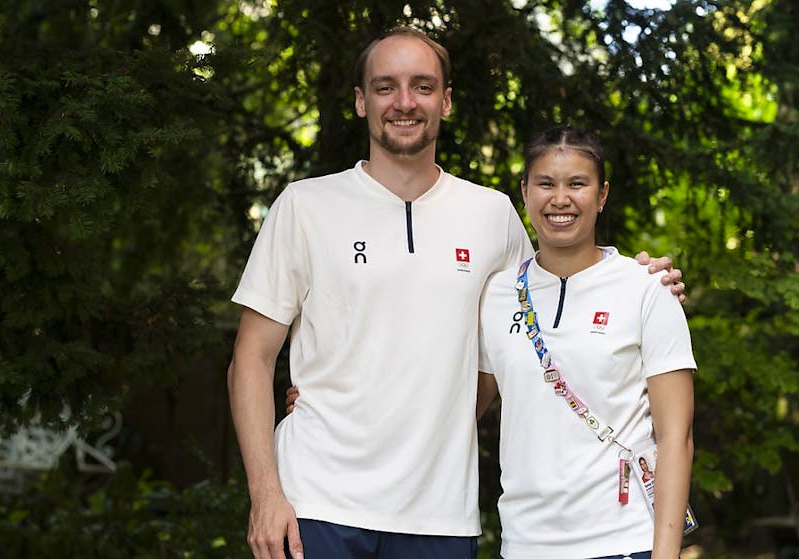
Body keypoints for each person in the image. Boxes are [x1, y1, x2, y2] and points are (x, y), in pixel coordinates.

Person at [228, 27, 685, 559]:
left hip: (441, 513)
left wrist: (642, 277)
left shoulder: (491, 215)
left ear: (445, 101)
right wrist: (265, 494)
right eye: (385, 87)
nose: (404, 102)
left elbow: (555, 291)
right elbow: (250, 359)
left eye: (422, 86)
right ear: (360, 101)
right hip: (317, 502)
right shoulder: (304, 207)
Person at [474, 126, 696, 559]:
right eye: (545, 183)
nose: (561, 199)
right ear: (525, 192)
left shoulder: (646, 289)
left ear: (602, 194)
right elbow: (463, 410)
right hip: (524, 544)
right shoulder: (495, 295)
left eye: (577, 183)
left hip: (624, 542)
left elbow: (676, 436)